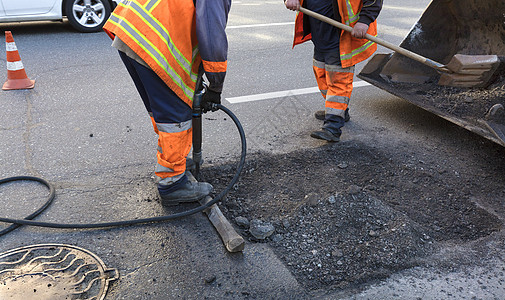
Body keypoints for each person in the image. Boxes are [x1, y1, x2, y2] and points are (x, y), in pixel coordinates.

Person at [103, 0, 231, 205]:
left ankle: (173, 162)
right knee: (175, 115)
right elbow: (211, 30)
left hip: (133, 29)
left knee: (162, 112)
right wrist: (215, 86)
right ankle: (172, 182)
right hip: (154, 40)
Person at [285, 0, 382, 142]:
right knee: (321, 74)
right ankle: (340, 111)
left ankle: (332, 127)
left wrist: (364, 21)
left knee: (338, 81)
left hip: (340, 38)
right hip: (320, 35)